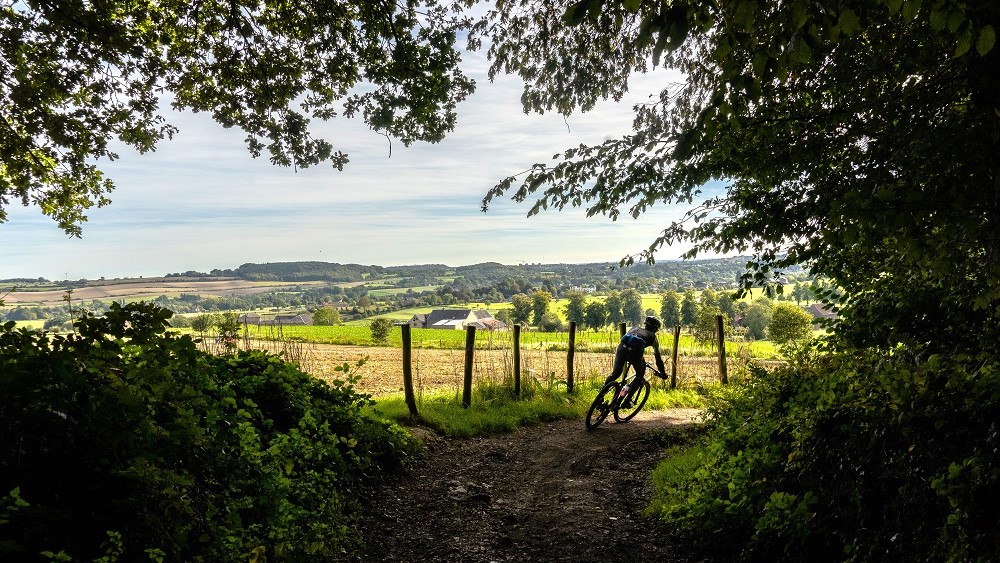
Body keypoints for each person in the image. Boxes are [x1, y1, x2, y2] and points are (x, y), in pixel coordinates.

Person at [606, 316, 668, 392]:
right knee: (639, 376)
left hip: (621, 348)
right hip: (635, 353)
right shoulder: (653, 337)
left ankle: (602, 393)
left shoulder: (634, 328)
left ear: (645, 324)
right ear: (655, 329)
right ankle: (628, 398)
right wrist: (662, 372)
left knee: (615, 373)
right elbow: (658, 358)